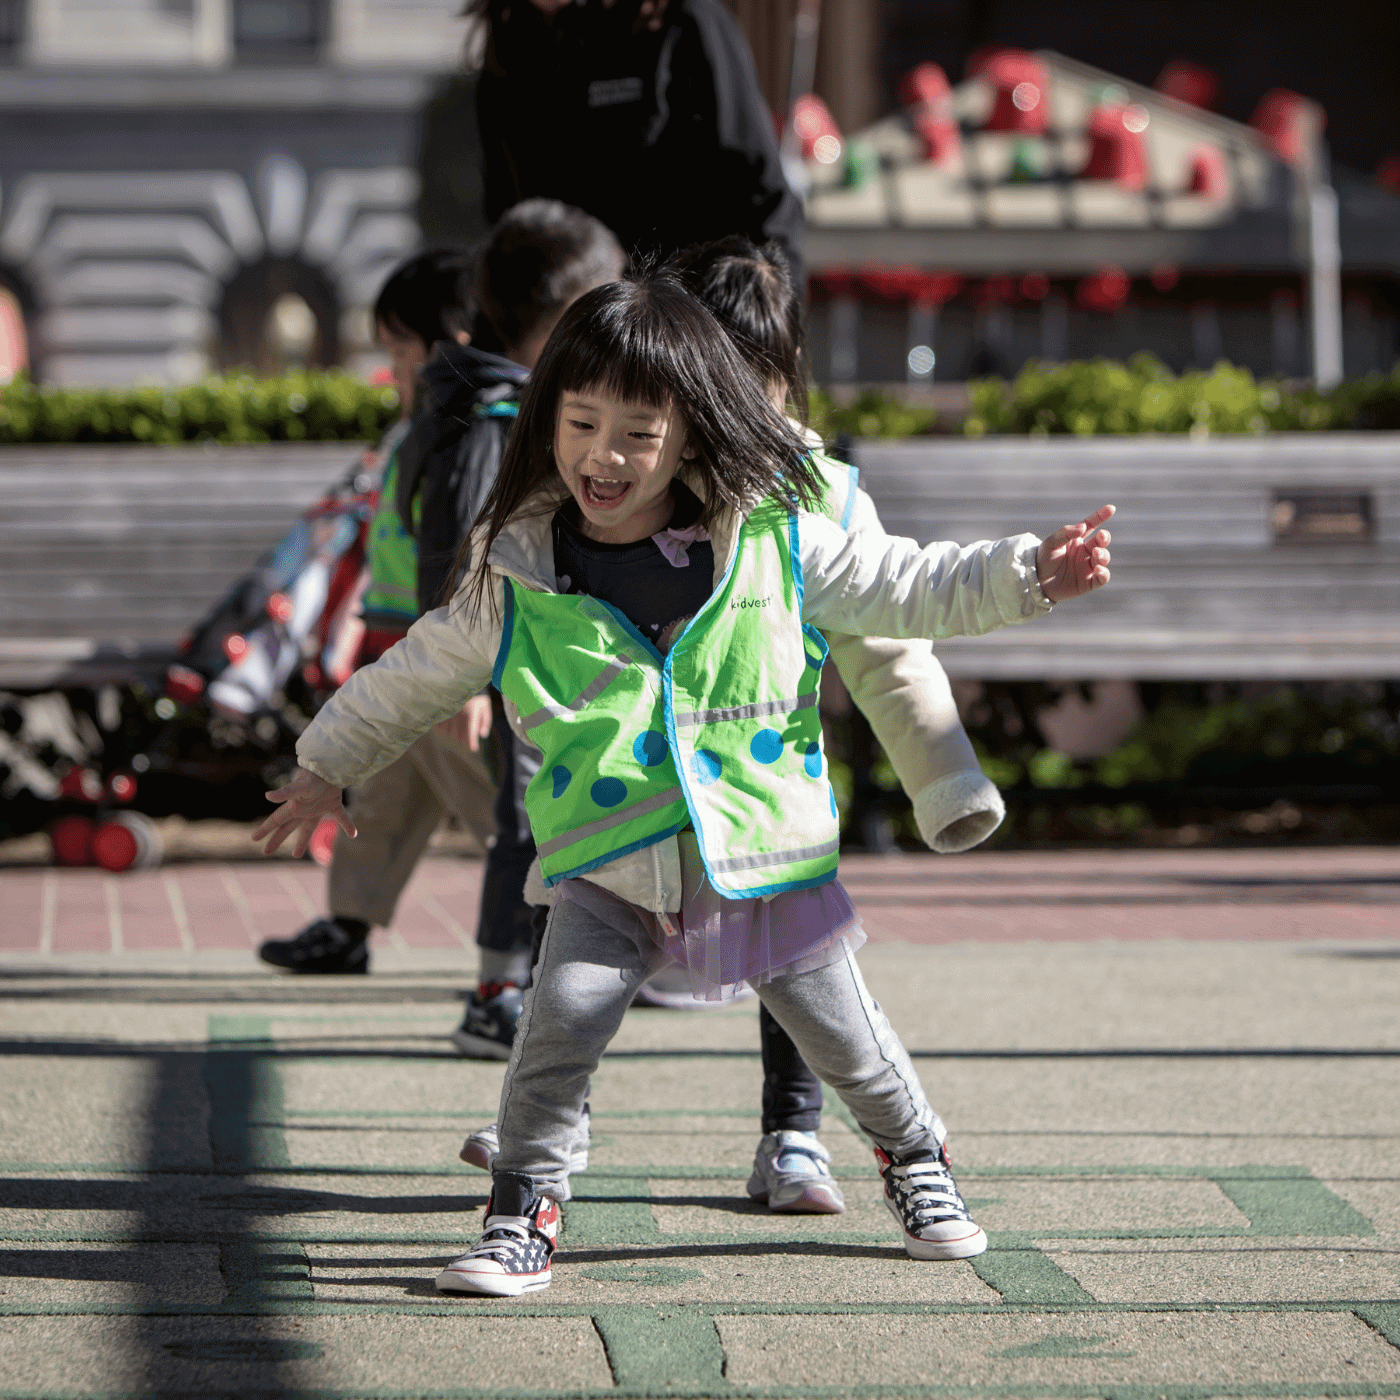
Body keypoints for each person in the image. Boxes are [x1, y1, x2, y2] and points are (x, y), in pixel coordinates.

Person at [252, 272, 1113, 1298]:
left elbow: (906, 583)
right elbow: (413, 672)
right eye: (578, 423)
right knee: (556, 1019)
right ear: (548, 419)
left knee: (842, 1034)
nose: (600, 457)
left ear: (692, 435)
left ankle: (914, 1154)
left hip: (760, 853)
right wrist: (323, 761)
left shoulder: (773, 537)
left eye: (635, 434)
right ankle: (523, 1205)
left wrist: (1029, 573)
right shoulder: (519, 566)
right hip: (603, 859)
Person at [456, 234, 1010, 1219]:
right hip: (624, 789)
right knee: (571, 985)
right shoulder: (625, 479)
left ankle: (798, 1130)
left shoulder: (808, 494)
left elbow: (891, 641)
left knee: (813, 995)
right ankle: (542, 1149)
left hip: (758, 789)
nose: (736, 411)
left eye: (755, 383)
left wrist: (943, 775)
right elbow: (507, 581)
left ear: (781, 378)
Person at [258, 246, 502, 979]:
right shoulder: (418, 428)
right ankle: (348, 921)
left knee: (497, 809)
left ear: (449, 346)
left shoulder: (469, 432)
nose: (391, 365)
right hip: (398, 645)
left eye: (399, 348)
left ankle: (566, 916)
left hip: (442, 660)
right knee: (383, 798)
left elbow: (462, 549)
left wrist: (468, 681)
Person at [474, 0, 802, 274]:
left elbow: (764, 198)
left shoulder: (684, 22)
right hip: (570, 324)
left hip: (685, 318)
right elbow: (504, 213)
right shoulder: (509, 41)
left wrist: (773, 333)